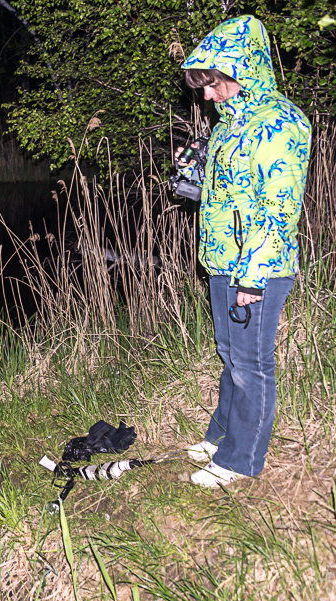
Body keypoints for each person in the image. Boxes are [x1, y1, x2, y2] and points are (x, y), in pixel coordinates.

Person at [175, 15, 311, 487]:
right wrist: (194, 174)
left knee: (251, 364)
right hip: (223, 259)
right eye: (203, 87)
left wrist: (252, 278)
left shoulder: (281, 123)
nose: (206, 96)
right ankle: (220, 436)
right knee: (230, 355)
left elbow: (278, 207)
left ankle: (240, 460)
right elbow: (229, 194)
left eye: (212, 84)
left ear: (242, 71)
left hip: (257, 267)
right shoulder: (232, 125)